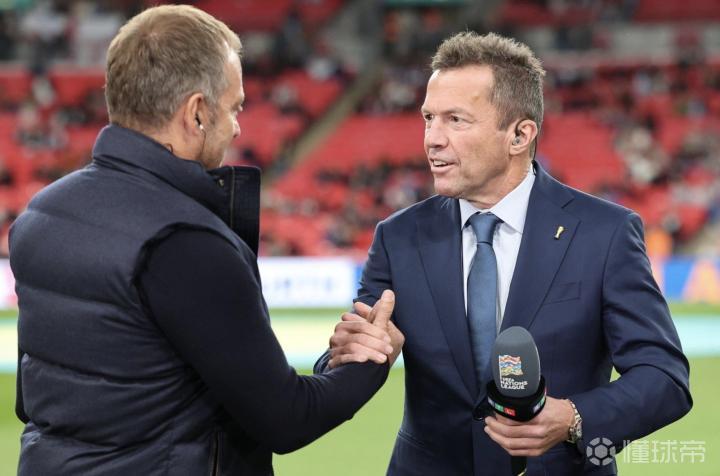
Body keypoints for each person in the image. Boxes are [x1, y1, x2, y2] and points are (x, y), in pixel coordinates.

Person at [9, 5, 402, 475]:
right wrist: (370, 360)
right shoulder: (184, 242)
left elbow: (32, 399)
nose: (237, 126)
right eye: (234, 107)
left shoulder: (41, 214)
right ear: (196, 112)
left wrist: (329, 367)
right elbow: (285, 418)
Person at [318, 31, 692, 475]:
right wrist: (346, 353)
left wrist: (574, 418)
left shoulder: (604, 233)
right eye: (428, 118)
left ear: (519, 135)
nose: (432, 139)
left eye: (456, 120)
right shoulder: (398, 237)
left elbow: (663, 376)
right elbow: (352, 355)